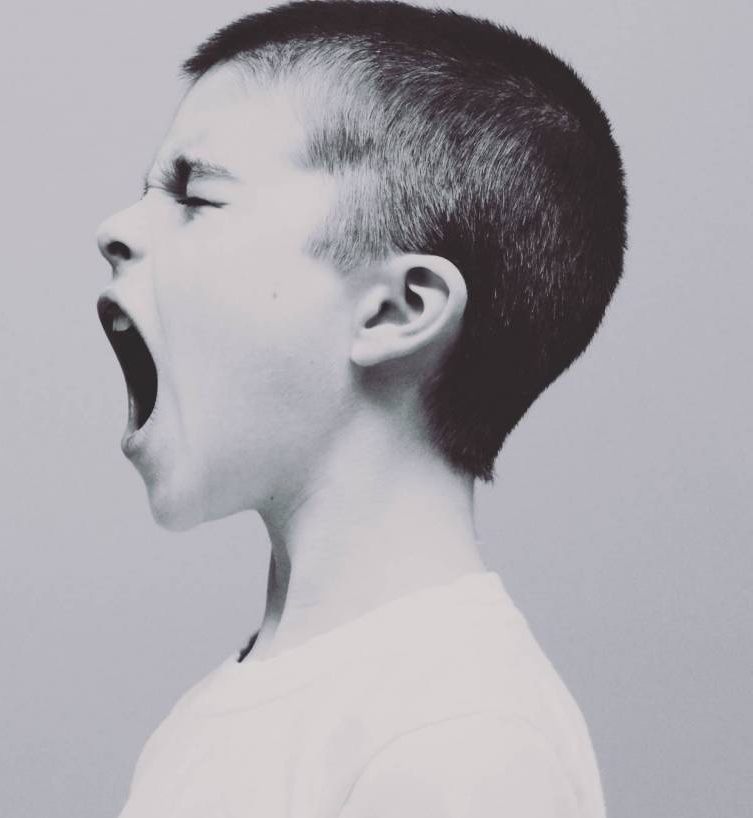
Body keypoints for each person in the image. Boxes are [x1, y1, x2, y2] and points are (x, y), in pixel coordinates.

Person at [93, 2, 624, 816]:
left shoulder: (459, 747)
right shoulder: (222, 713)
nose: (117, 229)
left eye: (195, 194)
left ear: (396, 310)